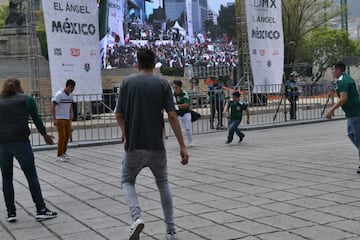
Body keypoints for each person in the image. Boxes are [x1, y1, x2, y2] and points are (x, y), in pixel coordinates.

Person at [114, 48, 189, 240]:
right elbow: (172, 115)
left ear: (137, 63)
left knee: (127, 181)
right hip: (156, 144)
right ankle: (171, 231)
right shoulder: (163, 84)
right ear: (154, 63)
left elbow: (119, 114)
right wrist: (182, 145)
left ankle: (137, 218)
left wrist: (124, 132)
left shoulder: (127, 83)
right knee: (163, 183)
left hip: (134, 144)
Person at [0, 78, 58, 223]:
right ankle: (41, 209)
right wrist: (45, 135)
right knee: (31, 175)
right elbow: (36, 119)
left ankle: (11, 212)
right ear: (19, 87)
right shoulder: (26, 99)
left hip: (2, 144)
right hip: (20, 142)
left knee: (6, 178)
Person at [326, 61, 360, 173]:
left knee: (358, 137)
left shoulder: (344, 81)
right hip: (351, 112)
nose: (332, 71)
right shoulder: (342, 79)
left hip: (355, 112)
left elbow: (343, 98)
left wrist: (331, 110)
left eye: (333, 69)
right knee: (351, 134)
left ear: (338, 70)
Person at [51, 79, 76, 161]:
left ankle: (63, 152)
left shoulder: (71, 95)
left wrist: (71, 113)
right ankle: (59, 154)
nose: (72, 89)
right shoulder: (59, 94)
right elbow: (53, 106)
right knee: (62, 136)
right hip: (60, 118)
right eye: (71, 88)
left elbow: (70, 104)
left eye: (73, 88)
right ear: (67, 86)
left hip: (67, 118)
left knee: (67, 136)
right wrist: (54, 119)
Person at [172, 80, 194, 147]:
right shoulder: (172, 94)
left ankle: (191, 142)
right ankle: (181, 143)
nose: (175, 89)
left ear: (180, 87)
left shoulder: (184, 93)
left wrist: (177, 106)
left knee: (188, 128)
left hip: (186, 113)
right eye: (173, 87)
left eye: (176, 87)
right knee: (179, 129)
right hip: (178, 114)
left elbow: (186, 104)